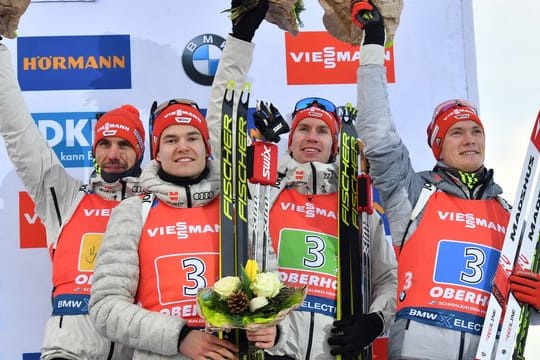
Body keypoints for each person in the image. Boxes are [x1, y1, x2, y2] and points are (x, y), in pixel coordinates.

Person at [89, 2, 278, 359]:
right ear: (156, 153)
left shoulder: (237, 205)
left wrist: (273, 328)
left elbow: (272, 286)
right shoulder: (134, 212)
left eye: (192, 137)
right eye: (170, 140)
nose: (182, 147)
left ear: (208, 149)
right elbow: (105, 307)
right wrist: (180, 337)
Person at [352, 1, 540, 358]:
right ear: (438, 146)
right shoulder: (414, 193)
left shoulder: (511, 217)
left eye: (475, 131)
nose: (470, 139)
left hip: (490, 349)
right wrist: (374, 45)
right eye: (456, 133)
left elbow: (520, 306)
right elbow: (376, 133)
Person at [226, 5, 398, 359]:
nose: (312, 136)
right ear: (289, 140)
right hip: (272, 350)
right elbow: (221, 122)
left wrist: (376, 322)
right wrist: (241, 37)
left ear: (335, 144)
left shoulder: (356, 205)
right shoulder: (263, 189)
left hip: (333, 352)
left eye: (323, 131)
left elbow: (389, 280)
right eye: (303, 127)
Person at [0, 37, 146, 360]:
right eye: (105, 144)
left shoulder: (154, 206)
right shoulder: (64, 197)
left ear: (140, 153)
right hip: (69, 353)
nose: (113, 154)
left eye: (124, 145)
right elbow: (17, 130)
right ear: (94, 150)